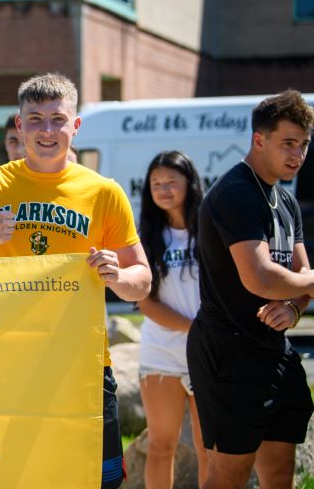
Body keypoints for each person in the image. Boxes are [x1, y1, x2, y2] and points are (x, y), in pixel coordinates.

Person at [0, 73, 151, 489]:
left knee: (101, 481)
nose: (47, 130)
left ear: (75, 125)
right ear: (19, 123)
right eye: (36, 119)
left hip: (82, 363)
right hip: (7, 361)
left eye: (58, 119)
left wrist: (118, 275)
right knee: (15, 478)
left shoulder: (104, 192)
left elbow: (143, 279)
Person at [187, 90, 314, 489]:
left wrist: (293, 308)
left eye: (305, 144)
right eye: (288, 143)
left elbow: (301, 273)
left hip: (274, 350)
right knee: (229, 475)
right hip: (229, 352)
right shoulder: (236, 193)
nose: (298, 155)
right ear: (259, 139)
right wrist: (307, 284)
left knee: (280, 472)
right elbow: (259, 277)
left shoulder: (286, 200)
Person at [136, 151, 207, 489]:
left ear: (189, 183)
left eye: (170, 182)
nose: (163, 189)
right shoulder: (146, 237)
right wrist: (195, 330)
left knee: (210, 448)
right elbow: (146, 304)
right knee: (161, 446)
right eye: (155, 183)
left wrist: (208, 336)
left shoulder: (213, 230)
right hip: (161, 353)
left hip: (209, 354)